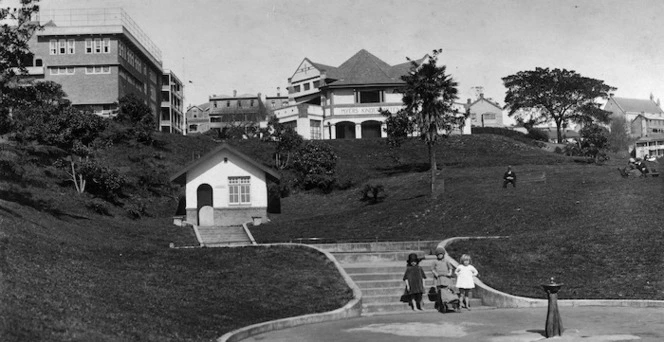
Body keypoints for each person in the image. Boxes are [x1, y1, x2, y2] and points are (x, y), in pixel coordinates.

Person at [431, 247, 459, 312]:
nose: (440, 255)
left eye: (441, 254)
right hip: (439, 278)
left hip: (446, 278)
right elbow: (432, 269)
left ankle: (450, 303)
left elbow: (450, 268)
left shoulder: (446, 261)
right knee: (439, 292)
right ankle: (440, 304)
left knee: (447, 290)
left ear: (443, 254)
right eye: (438, 254)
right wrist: (435, 273)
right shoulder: (435, 261)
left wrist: (449, 273)